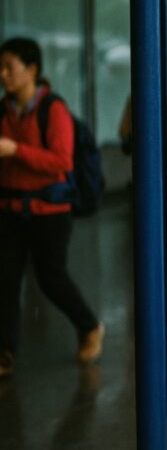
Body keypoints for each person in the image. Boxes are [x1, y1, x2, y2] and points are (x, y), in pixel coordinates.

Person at [0, 38, 103, 377]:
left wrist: (15, 150)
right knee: (6, 280)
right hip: (11, 211)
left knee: (51, 279)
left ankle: (90, 326)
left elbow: (61, 160)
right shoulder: (4, 110)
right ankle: (5, 353)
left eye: (9, 67)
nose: (3, 74)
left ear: (32, 70)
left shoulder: (53, 109)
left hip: (50, 213)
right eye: (1, 68)